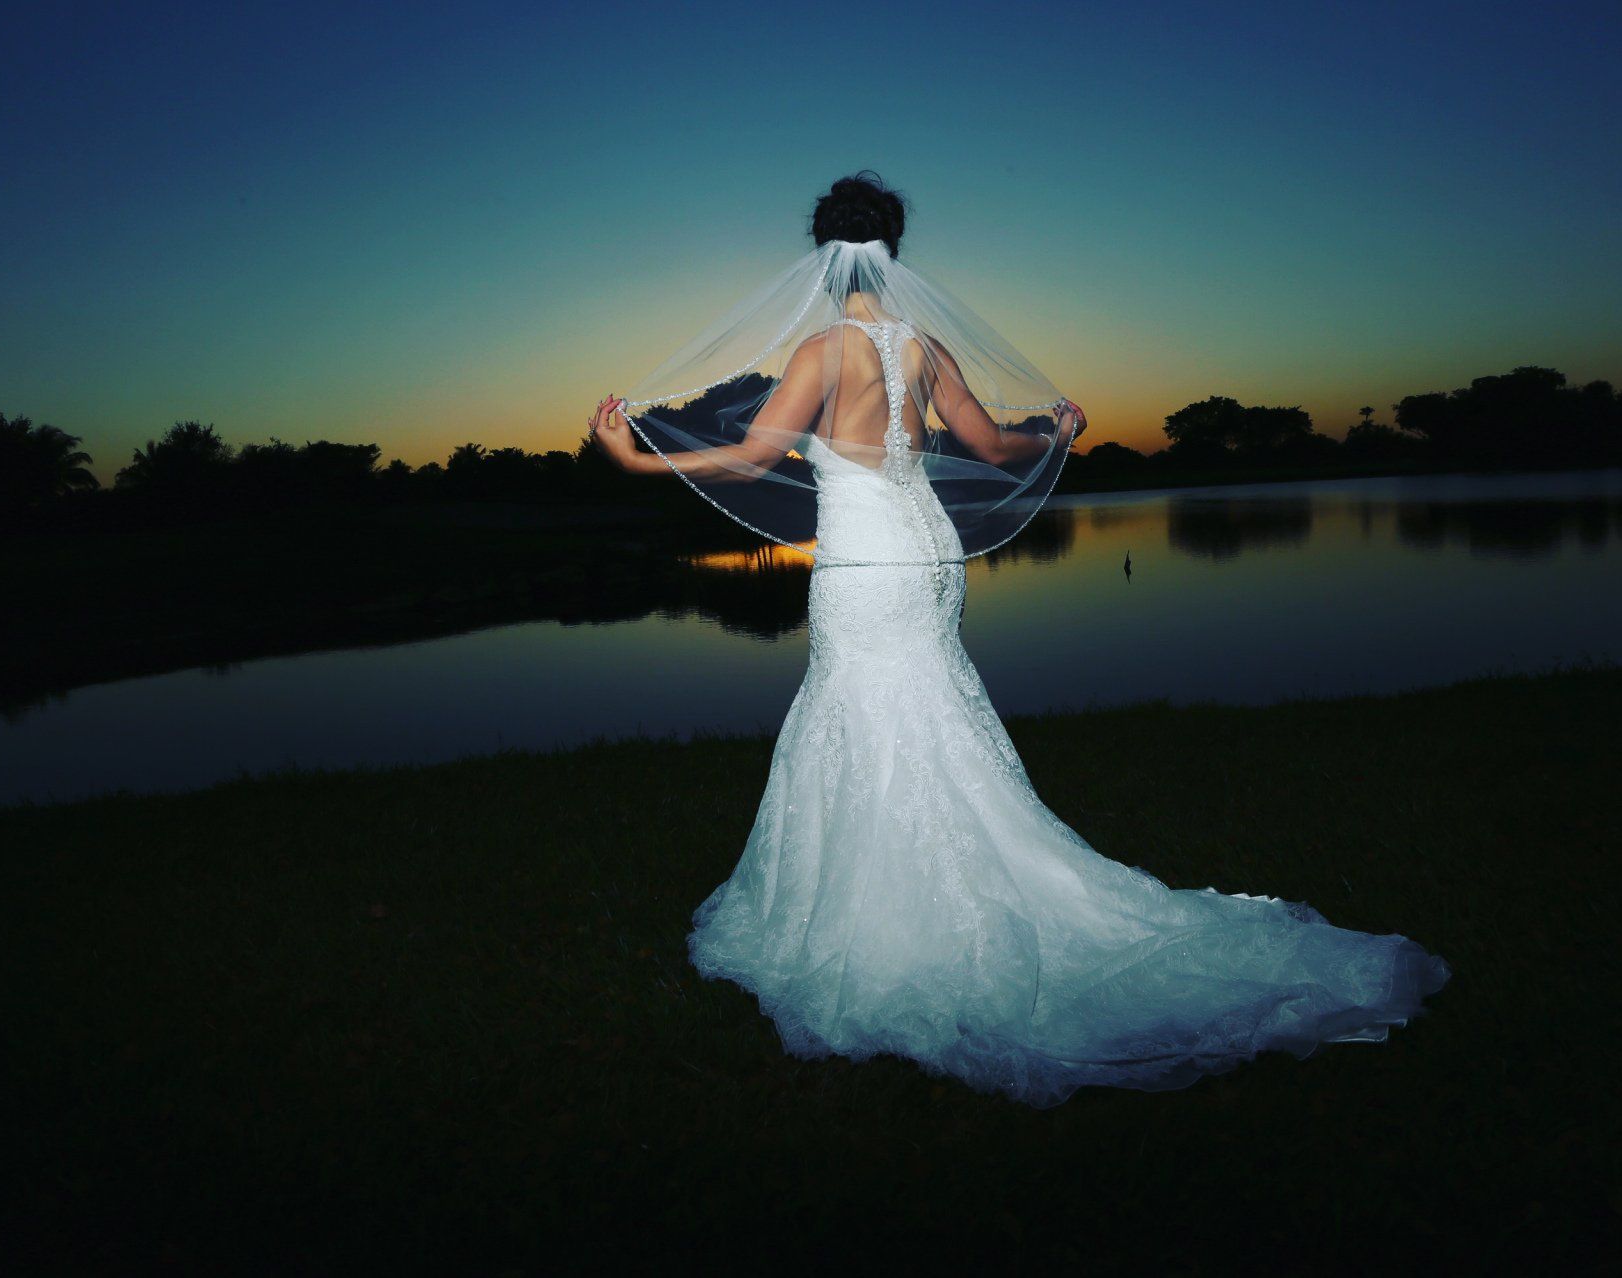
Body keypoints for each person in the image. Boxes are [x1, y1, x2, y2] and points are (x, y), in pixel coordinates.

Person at [587, 172, 1449, 1108]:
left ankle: (881, 921)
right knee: (927, 705)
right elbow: (994, 449)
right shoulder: (922, 348)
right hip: (931, 559)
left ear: (824, 257)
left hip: (866, 565)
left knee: (862, 708)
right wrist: (1057, 429)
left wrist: (636, 453)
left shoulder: (821, 350)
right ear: (895, 247)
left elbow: (755, 457)